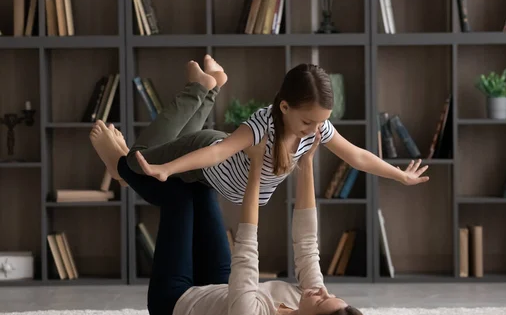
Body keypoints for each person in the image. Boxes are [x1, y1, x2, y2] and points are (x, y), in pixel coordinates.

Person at [88, 119, 386, 315]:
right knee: (202, 181)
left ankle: (120, 167)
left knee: (178, 197)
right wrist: (306, 163)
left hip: (175, 305)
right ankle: (129, 168)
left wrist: (256, 166)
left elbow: (247, 245)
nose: (322, 291)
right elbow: (307, 242)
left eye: (323, 301)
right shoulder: (309, 300)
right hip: (219, 287)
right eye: (332, 295)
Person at [107, 55, 428, 208]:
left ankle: (209, 85)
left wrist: (399, 176)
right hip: (208, 154)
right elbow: (219, 152)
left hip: (213, 176)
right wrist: (166, 168)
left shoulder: (317, 129)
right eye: (307, 122)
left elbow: (357, 156)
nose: (314, 131)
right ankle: (201, 87)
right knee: (136, 164)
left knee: (164, 149)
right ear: (285, 107)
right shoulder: (264, 124)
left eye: (320, 122)